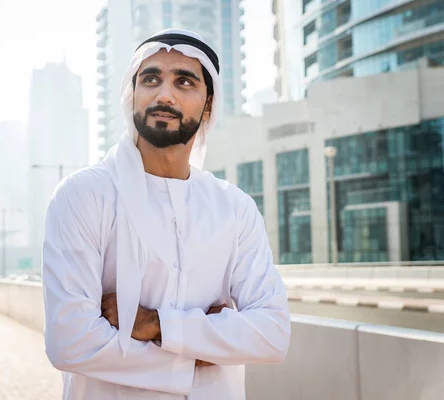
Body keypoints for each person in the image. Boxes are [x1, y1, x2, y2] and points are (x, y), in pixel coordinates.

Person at [41, 28, 291, 400]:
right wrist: (202, 351)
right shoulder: (84, 195)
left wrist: (155, 324)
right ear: (133, 94)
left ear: (209, 105)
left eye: (184, 81)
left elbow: (272, 333)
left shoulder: (234, 208)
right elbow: (71, 343)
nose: (164, 94)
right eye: (151, 79)